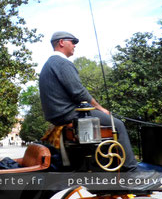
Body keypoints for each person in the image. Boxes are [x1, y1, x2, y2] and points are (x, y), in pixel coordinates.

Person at [38, 31, 137, 170]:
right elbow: (79, 92)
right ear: (61, 42)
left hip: (59, 115)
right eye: (72, 42)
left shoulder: (49, 64)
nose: (74, 45)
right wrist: (100, 108)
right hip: (69, 114)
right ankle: (131, 170)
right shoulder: (61, 63)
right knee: (118, 125)